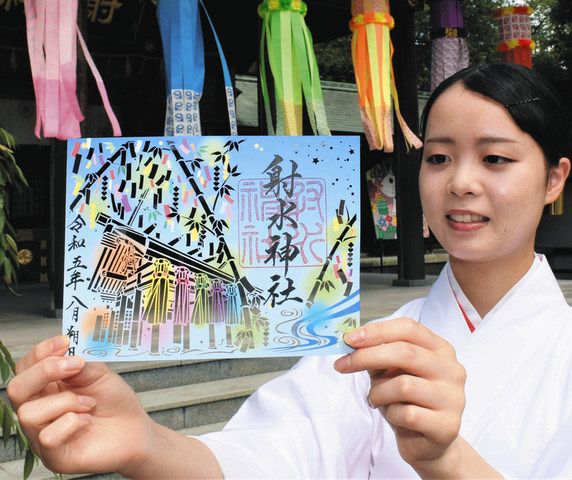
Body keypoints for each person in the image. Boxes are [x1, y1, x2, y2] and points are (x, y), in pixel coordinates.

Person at [7, 62, 572, 479]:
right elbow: (273, 454)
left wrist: (445, 459)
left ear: (554, 178)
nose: (461, 182)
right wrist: (144, 443)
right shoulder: (369, 346)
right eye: (439, 157)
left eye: (495, 158)